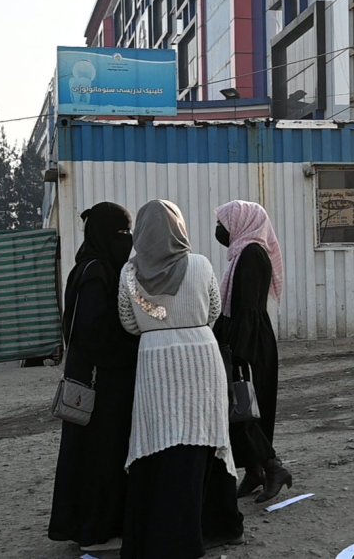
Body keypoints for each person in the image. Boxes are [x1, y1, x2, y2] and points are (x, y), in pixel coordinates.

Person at [117, 200, 243, 558]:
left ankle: (157, 535)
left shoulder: (129, 273)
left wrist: (158, 325)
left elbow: (127, 322)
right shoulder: (200, 264)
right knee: (198, 445)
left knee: (158, 446)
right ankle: (203, 528)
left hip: (155, 361)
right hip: (201, 356)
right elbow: (214, 310)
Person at [48, 202, 139, 553]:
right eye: (121, 233)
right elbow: (91, 332)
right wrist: (132, 347)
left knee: (94, 456)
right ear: (106, 235)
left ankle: (92, 525)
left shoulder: (88, 267)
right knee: (101, 456)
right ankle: (95, 528)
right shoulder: (97, 271)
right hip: (101, 384)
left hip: (95, 379)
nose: (127, 240)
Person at [212, 200, 292, 503]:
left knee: (244, 409)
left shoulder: (252, 255)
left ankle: (273, 468)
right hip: (247, 339)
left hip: (250, 344)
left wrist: (236, 352)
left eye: (225, 222)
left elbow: (247, 309)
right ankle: (255, 471)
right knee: (242, 409)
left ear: (241, 223)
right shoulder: (242, 254)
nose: (220, 230)